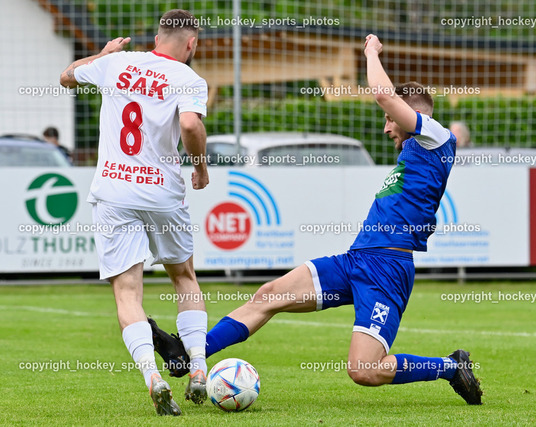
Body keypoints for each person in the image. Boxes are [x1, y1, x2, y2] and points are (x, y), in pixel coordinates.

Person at [152, 34, 483, 405]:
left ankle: (450, 367)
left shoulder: (437, 138)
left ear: (415, 115)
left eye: (391, 120)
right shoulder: (412, 155)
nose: (387, 127)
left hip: (387, 270)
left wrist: (371, 53)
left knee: (364, 370)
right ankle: (188, 354)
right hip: (356, 260)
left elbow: (385, 95)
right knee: (268, 296)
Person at [60, 9, 210, 416]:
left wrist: (100, 55)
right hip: (163, 194)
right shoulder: (189, 79)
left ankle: (152, 377)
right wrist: (199, 166)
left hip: (114, 191)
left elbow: (66, 76)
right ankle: (198, 368)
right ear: (191, 44)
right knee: (184, 277)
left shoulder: (117, 63)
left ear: (158, 36)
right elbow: (192, 125)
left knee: (127, 291)